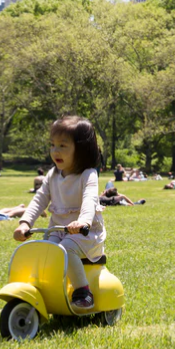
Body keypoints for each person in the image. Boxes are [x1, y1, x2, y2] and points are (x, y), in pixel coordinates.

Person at [15, 116, 107, 312]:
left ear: (80, 150)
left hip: (85, 234)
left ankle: (83, 292)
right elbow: (39, 199)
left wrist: (82, 222)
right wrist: (25, 223)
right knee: (44, 250)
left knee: (66, 248)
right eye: (53, 145)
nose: (55, 151)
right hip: (58, 230)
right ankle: (46, 288)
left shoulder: (88, 174)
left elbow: (90, 200)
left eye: (63, 145)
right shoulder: (53, 174)